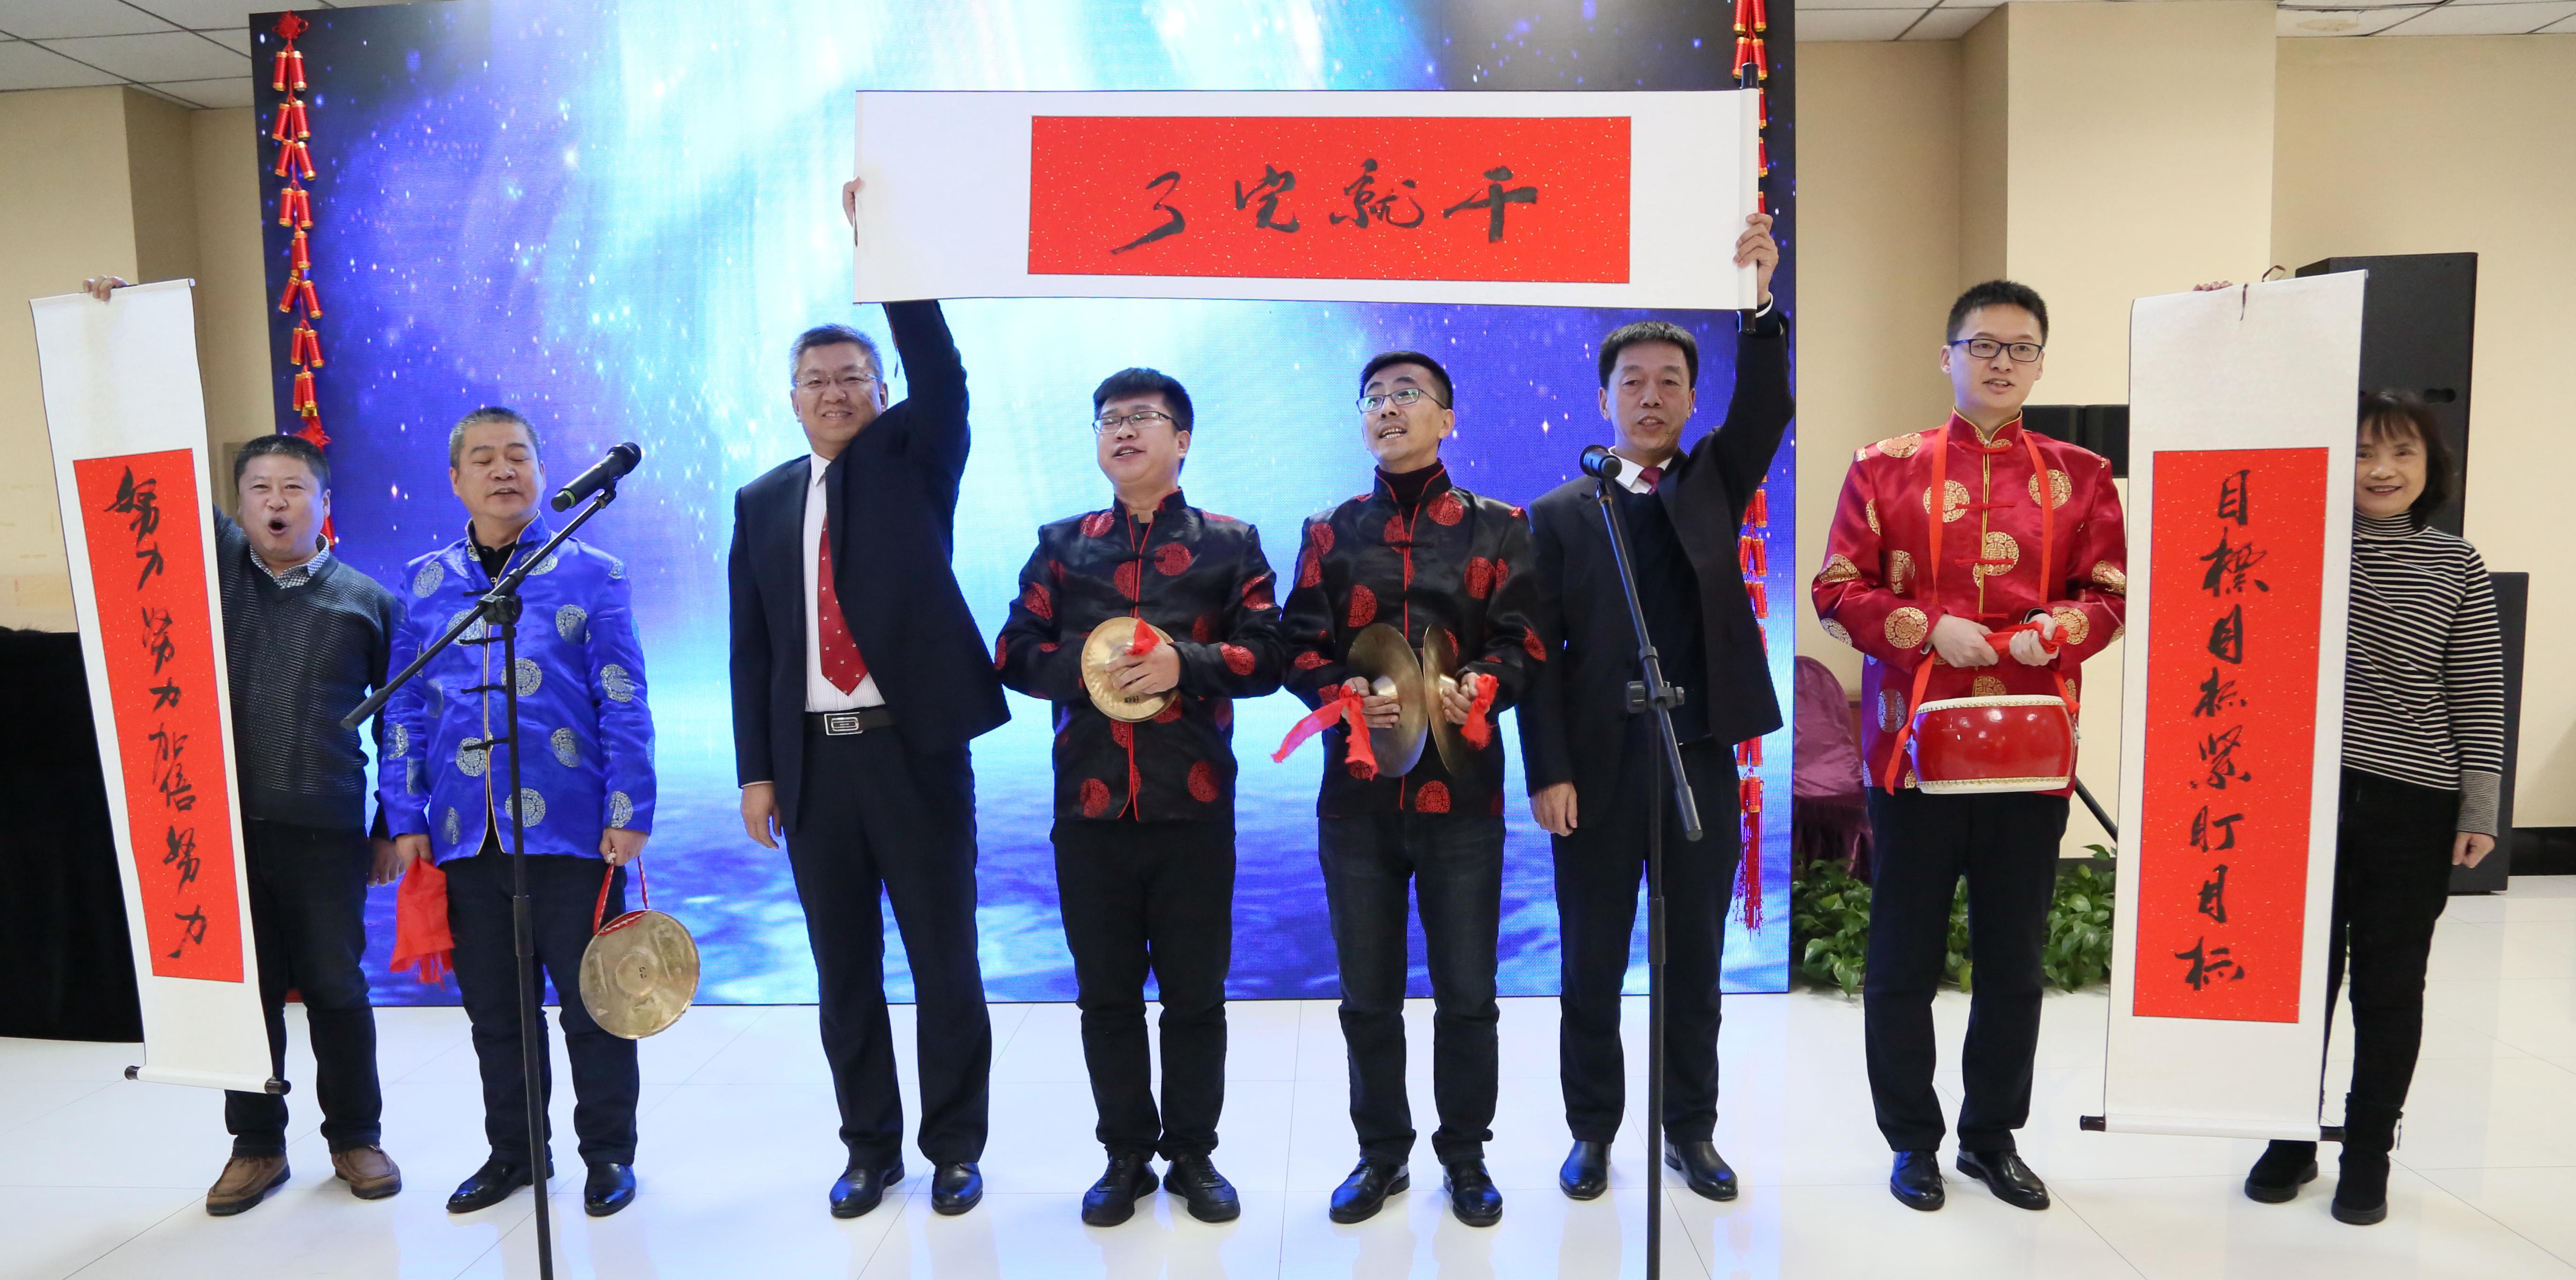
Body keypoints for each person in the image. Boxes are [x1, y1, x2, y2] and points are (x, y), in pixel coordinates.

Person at [80, 276, 408, 1218]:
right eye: (259, 489)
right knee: (244, 995)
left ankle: (355, 1137)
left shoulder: (368, 601)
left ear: (322, 502)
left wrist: (391, 824)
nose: (276, 502)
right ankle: (255, 1146)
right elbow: (151, 464)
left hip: (326, 829)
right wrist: (121, 338)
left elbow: (403, 725)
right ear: (236, 504)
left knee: (338, 991)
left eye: (293, 488)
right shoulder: (211, 574)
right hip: (217, 828)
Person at [1811, 279, 2126, 1213]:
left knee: (2014, 961)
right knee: (1900, 961)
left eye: (2020, 348)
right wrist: (1921, 627)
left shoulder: (2081, 474)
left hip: (2030, 752)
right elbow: (1837, 587)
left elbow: (2109, 592)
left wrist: (2055, 631)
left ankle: (1991, 1138)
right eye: (1982, 344)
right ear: (1946, 355)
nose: (2000, 362)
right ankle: (1912, 1141)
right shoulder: (1883, 467)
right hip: (1911, 755)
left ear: (2040, 363)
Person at [725, 178, 1008, 1220]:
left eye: (853, 377)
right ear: (792, 399)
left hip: (912, 751)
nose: (835, 393)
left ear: (881, 392)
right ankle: (868, 1148)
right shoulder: (761, 500)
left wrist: (888, 251)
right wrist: (758, 773)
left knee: (944, 960)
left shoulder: (915, 460)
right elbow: (751, 648)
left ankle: (955, 1147)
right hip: (813, 765)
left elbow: (942, 370)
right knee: (843, 970)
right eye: (816, 381)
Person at [1517, 213, 1789, 1204]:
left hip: (1696, 754)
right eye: (1631, 382)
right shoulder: (1559, 513)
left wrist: (1759, 303)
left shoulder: (1712, 482)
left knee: (1694, 961)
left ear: (1690, 399)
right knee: (1590, 962)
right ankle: (1592, 1131)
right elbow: (1536, 657)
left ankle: (1690, 1128)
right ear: (1604, 398)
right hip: (1593, 766)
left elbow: (1766, 404)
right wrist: (1548, 771)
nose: (1650, 396)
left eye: (1669, 382)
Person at [992, 368, 1285, 1227]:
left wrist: (1178, 665)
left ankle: (1193, 1153)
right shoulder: (1060, 545)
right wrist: (1098, 665)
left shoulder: (1231, 543)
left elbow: (1268, 656)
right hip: (1089, 809)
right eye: (1109, 419)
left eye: (1143, 418)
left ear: (1181, 439)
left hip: (1194, 805)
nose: (1123, 431)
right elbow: (1013, 652)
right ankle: (1124, 1153)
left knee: (1196, 996)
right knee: (1107, 997)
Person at [1278, 349, 1540, 1227]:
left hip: (1462, 797)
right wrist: (1342, 692)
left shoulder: (1499, 528)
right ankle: (1380, 1154)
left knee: (1468, 991)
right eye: (1374, 398)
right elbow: (1296, 647)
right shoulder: (1329, 531)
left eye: (1407, 395)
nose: (1387, 409)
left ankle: (1465, 1156)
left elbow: (1525, 642)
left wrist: (1483, 688)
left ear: (1447, 419)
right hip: (1356, 798)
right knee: (1367, 994)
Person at [2235, 388, 2505, 1224]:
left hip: (2413, 800)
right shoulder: (2292, 548)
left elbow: (2478, 693)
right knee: (2297, 980)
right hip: (2297, 798)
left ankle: (2368, 1151)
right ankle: (2290, 1135)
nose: (2382, 469)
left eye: (2401, 452)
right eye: (2361, 452)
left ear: (2431, 466)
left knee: (2389, 985)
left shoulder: (2457, 564)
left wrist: (2479, 809)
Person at [381, 406, 657, 1219]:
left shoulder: (592, 573)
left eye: (518, 456)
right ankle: (516, 1153)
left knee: (595, 1005)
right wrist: (405, 816)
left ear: (540, 471)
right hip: (466, 835)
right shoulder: (424, 583)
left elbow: (623, 698)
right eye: (484, 459)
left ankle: (608, 1156)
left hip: (574, 831)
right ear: (456, 479)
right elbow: (404, 711)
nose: (503, 471)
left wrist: (628, 806)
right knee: (497, 1015)